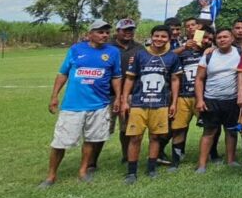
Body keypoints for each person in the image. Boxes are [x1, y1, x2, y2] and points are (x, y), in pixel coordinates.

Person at [39, 20, 122, 188]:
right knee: (60, 142)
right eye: (100, 32)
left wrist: (119, 97)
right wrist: (54, 96)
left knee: (91, 140)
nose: (104, 35)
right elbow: (63, 73)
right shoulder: (76, 50)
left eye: (107, 32)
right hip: (73, 106)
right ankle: (51, 176)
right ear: (90, 33)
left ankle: (83, 171)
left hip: (99, 105)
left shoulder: (113, 52)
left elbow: (116, 76)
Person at [121, 25, 182, 184]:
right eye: (156, 36)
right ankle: (131, 172)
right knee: (135, 137)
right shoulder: (140, 55)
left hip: (160, 104)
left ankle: (151, 168)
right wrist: (124, 100)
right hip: (139, 103)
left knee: (156, 137)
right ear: (151, 36)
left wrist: (174, 102)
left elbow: (175, 80)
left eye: (163, 36)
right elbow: (130, 78)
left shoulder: (172, 58)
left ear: (169, 39)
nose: (159, 39)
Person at [92, 18, 140, 168]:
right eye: (125, 30)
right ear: (117, 31)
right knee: (102, 130)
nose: (128, 33)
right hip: (108, 95)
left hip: (130, 95)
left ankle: (126, 157)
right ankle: (92, 162)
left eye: (131, 30)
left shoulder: (139, 48)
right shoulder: (106, 47)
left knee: (127, 129)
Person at [194, 28, 242, 173]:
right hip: (211, 99)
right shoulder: (209, 55)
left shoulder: (240, 54)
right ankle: (201, 164)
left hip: (232, 100)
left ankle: (231, 160)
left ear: (232, 38)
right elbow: (199, 79)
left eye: (225, 37)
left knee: (231, 131)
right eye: (219, 37)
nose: (222, 39)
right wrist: (200, 100)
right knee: (209, 132)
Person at [169, 24, 213, 170]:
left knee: (209, 127)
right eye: (203, 37)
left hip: (202, 97)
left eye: (208, 38)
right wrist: (184, 47)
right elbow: (167, 58)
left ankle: (210, 155)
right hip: (183, 95)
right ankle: (176, 160)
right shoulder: (183, 52)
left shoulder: (210, 53)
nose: (205, 40)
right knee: (178, 129)